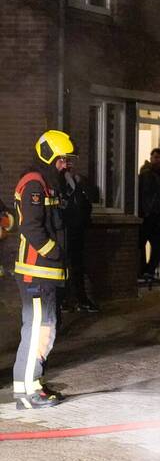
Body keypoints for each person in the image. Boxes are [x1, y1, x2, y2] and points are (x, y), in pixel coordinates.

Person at [11, 130, 76, 409]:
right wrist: (55, 254)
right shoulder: (34, 183)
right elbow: (32, 228)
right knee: (37, 328)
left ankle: (34, 382)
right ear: (49, 155)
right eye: (62, 159)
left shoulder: (49, 183)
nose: (65, 165)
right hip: (35, 272)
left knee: (47, 329)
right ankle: (25, 394)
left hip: (47, 273)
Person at [59, 163, 99, 312]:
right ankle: (65, 300)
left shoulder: (78, 182)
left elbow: (91, 199)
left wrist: (80, 183)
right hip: (66, 231)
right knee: (67, 267)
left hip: (77, 231)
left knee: (77, 267)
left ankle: (78, 300)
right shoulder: (59, 182)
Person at [138, 148, 160, 280]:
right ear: (151, 158)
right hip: (150, 217)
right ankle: (145, 271)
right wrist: (148, 213)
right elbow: (145, 195)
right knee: (154, 245)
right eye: (156, 157)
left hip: (156, 217)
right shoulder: (147, 174)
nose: (158, 160)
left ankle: (147, 271)